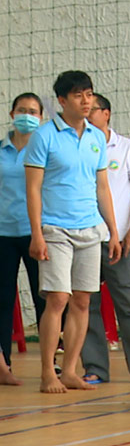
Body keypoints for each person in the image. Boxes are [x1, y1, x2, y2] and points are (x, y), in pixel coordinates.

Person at [25, 71, 122, 394]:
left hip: (90, 229)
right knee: (58, 299)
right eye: (78, 95)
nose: (85, 101)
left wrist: (113, 231)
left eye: (89, 94)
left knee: (82, 300)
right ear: (62, 101)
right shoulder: (44, 136)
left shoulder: (96, 136)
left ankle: (69, 370)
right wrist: (37, 234)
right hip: (55, 228)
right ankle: (47, 373)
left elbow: (102, 187)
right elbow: (34, 188)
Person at [80, 94, 130, 384]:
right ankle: (95, 367)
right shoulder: (78, 147)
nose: (88, 115)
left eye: (93, 110)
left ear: (107, 113)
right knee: (87, 305)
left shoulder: (129, 149)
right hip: (85, 237)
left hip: (120, 241)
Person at [0, 93, 47, 386]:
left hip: (36, 233)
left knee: (44, 299)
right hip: (3, 233)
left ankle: (50, 363)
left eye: (32, 111)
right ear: (11, 113)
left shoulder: (44, 151)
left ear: (41, 118)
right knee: (2, 300)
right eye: (21, 110)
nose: (26, 115)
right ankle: (3, 364)